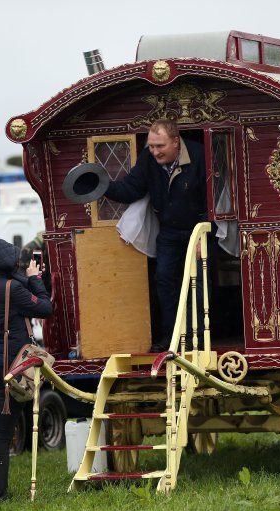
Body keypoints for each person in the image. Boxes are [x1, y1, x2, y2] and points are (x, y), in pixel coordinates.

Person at [103, 118, 214, 351]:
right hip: (170, 231)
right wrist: (101, 186)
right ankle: (171, 338)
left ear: (176, 142)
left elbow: (213, 196)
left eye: (160, 146)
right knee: (164, 280)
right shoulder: (148, 159)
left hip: (199, 228)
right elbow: (131, 188)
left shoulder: (201, 155)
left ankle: (199, 340)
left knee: (199, 281)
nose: (154, 152)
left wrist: (204, 232)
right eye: (151, 146)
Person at [0, 236, 52, 501]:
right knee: (2, 433)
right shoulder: (12, 289)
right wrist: (35, 280)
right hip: (11, 367)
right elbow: (44, 308)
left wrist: (25, 279)